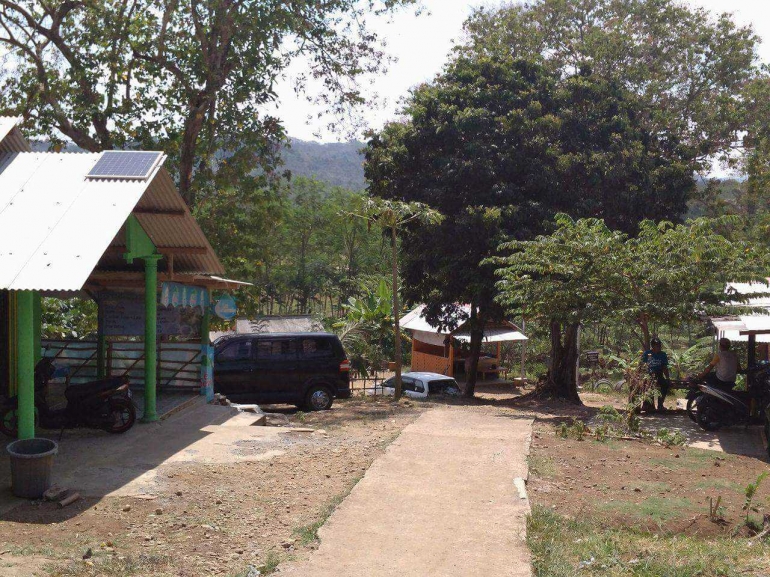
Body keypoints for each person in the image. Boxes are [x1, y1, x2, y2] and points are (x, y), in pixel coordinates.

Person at [641, 337, 671, 411]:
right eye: (657, 346)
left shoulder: (663, 354)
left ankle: (660, 405)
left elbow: (665, 367)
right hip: (649, 375)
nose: (659, 347)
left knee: (665, 385)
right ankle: (646, 404)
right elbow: (642, 365)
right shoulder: (647, 354)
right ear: (653, 346)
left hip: (659, 374)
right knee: (649, 386)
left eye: (659, 345)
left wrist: (667, 378)